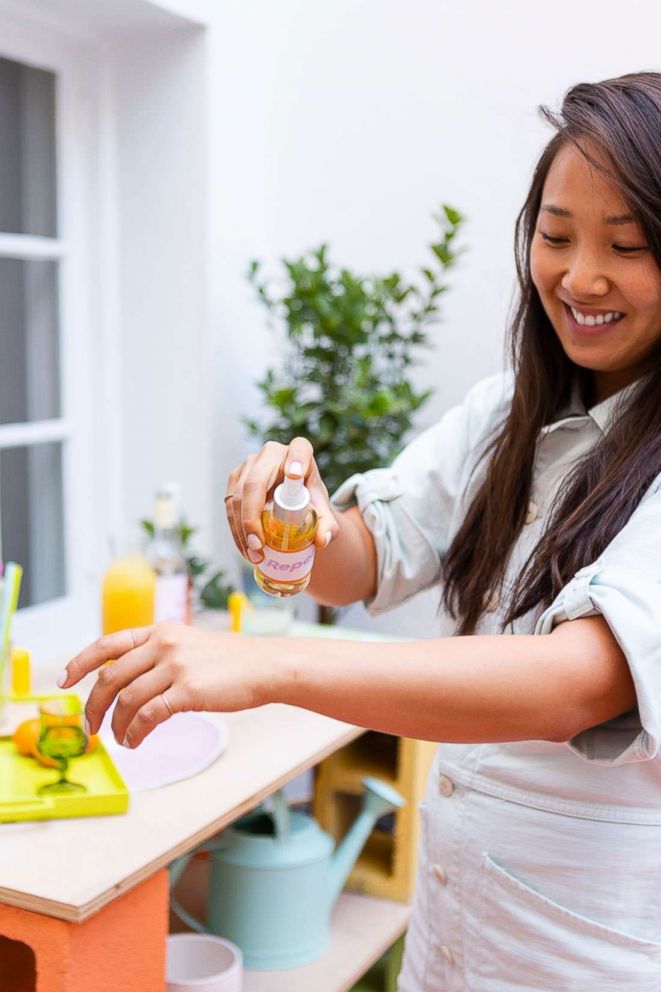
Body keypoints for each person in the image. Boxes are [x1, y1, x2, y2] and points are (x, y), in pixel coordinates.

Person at [61, 72, 661, 989]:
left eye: (625, 246)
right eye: (554, 234)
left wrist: (269, 664)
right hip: (455, 936)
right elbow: (364, 559)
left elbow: (577, 682)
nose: (578, 277)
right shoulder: (506, 413)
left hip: (593, 958)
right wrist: (293, 519)